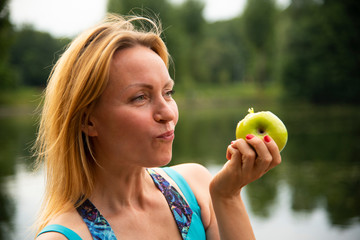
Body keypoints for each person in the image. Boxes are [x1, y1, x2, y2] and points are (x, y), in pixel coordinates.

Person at [34, 14, 281, 240]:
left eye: (168, 92)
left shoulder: (196, 188)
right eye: (140, 97)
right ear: (88, 121)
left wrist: (228, 195)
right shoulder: (64, 237)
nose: (167, 113)